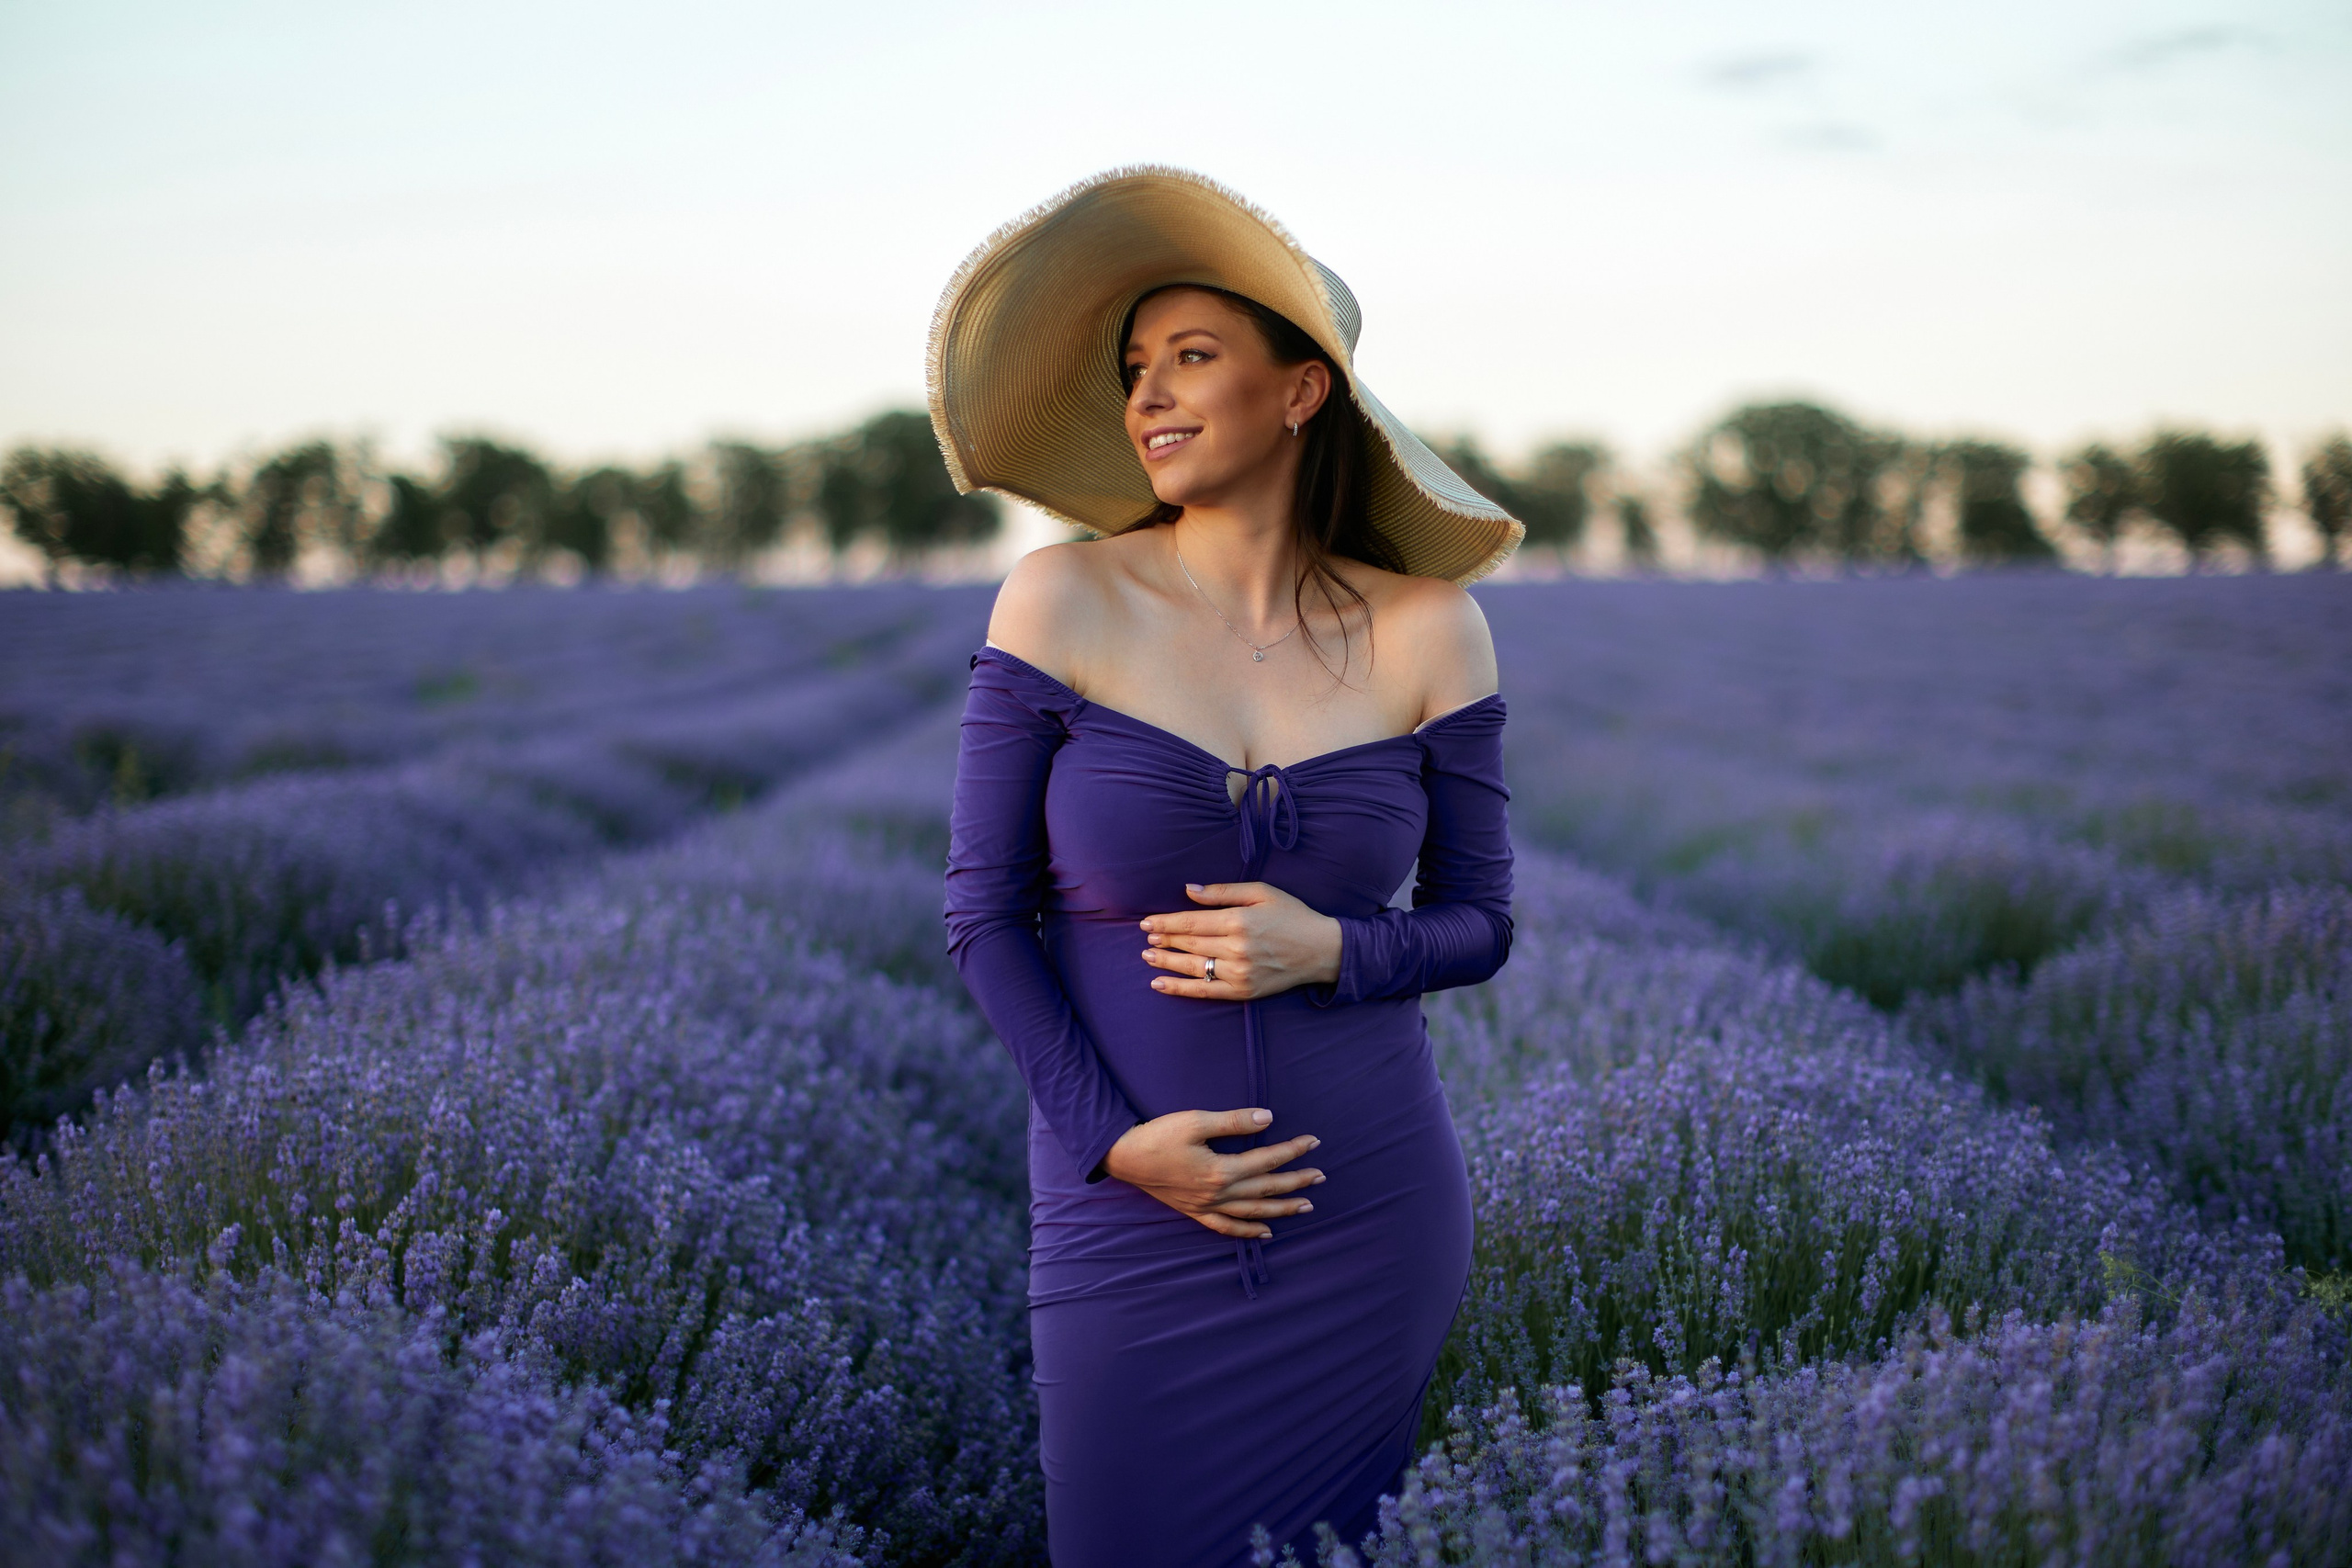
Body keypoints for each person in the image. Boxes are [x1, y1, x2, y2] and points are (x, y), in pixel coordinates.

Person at [932, 167, 1522, 1566]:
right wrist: (1113, 1144)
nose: (1149, 397)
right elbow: (980, 914)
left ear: (1302, 391)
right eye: (1137, 370)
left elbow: (1481, 923)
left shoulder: (1433, 629)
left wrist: (1336, 950)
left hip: (1367, 1214)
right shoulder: (1062, 596)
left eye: (1192, 357)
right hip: (1126, 1207)